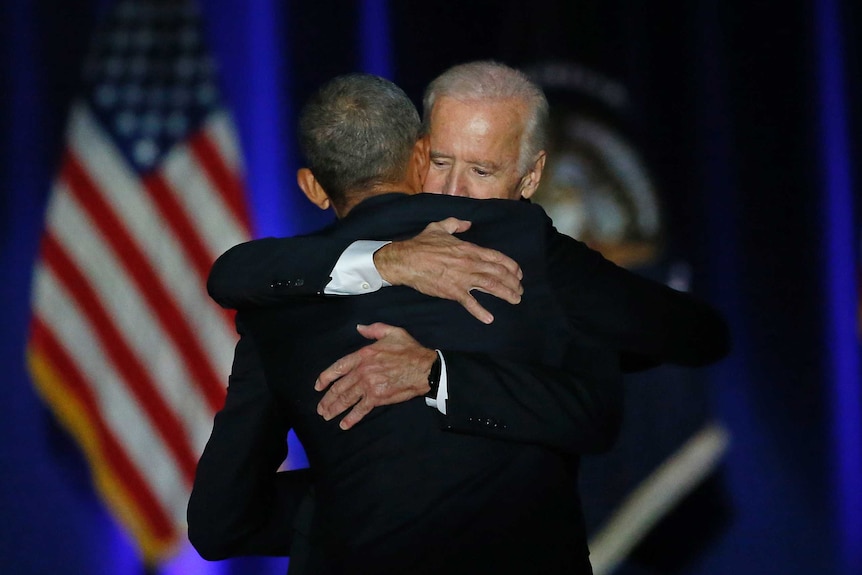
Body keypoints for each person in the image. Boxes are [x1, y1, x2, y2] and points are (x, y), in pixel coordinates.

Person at [190, 65, 730, 573]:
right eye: (446, 164)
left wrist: (355, 492)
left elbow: (221, 522)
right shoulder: (527, 250)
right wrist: (385, 261)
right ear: (421, 156)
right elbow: (694, 336)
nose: (454, 190)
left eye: (481, 170)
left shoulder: (275, 303)